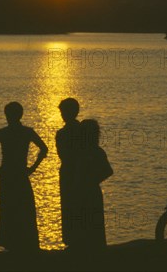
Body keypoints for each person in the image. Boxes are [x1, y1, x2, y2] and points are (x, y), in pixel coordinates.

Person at [0, 101, 47, 251]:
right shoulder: (27, 132)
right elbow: (44, 149)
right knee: (24, 207)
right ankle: (26, 242)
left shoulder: (3, 133)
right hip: (20, 173)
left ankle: (11, 242)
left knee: (9, 208)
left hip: (8, 174)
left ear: (7, 115)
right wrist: (33, 168)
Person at [75, 119, 113, 250]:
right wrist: (95, 180)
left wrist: (92, 180)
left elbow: (108, 171)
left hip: (86, 190)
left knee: (87, 218)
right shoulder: (96, 151)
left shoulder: (83, 152)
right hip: (91, 190)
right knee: (93, 219)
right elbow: (108, 171)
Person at [55, 98, 82, 249]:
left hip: (68, 172)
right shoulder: (83, 130)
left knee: (68, 205)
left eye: (63, 112)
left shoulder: (62, 133)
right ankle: (80, 238)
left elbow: (62, 154)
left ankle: (71, 239)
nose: (62, 115)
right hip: (79, 172)